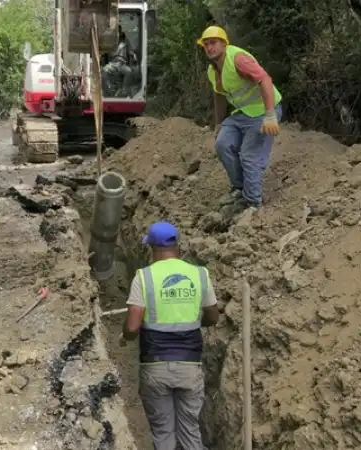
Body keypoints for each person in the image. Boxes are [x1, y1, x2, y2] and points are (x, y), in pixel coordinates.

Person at [119, 221, 220, 450]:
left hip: (155, 367)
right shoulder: (199, 275)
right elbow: (213, 317)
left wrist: (125, 335)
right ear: (178, 246)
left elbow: (133, 327)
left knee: (163, 433)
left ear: (151, 247)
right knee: (190, 431)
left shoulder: (144, 277)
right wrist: (195, 322)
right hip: (190, 367)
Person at [198, 25, 283, 211]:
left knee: (250, 156)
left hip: (263, 111)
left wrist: (270, 115)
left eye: (213, 43)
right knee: (222, 144)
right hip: (243, 113)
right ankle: (239, 188)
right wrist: (219, 123)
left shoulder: (238, 59)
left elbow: (265, 80)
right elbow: (218, 94)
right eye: (206, 45)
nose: (209, 48)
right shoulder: (213, 71)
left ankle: (252, 204)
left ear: (224, 43)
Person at [102, 26, 137, 97]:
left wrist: (134, 55)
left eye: (118, 32)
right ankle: (110, 90)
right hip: (112, 63)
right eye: (115, 32)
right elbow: (103, 52)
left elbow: (130, 51)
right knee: (104, 71)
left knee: (129, 72)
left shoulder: (126, 41)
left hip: (122, 63)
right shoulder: (109, 42)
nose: (117, 34)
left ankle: (124, 89)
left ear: (120, 33)